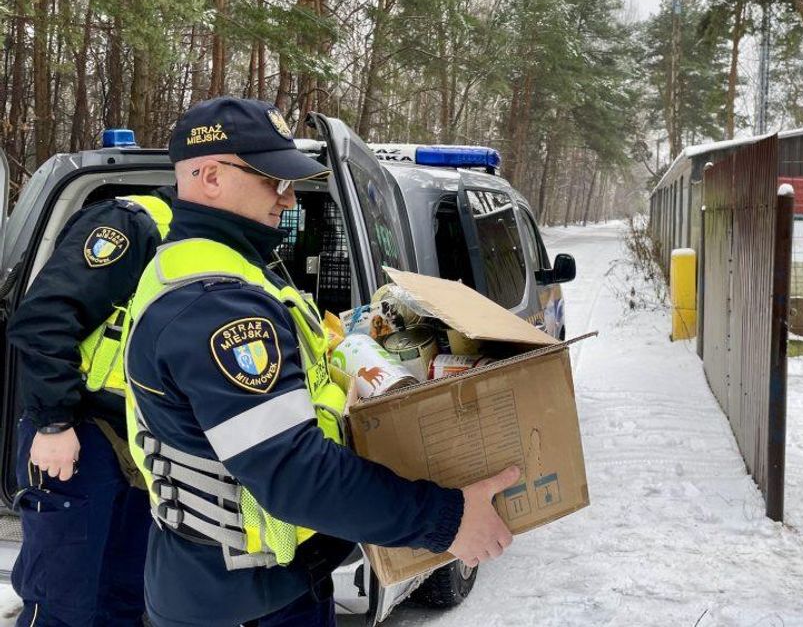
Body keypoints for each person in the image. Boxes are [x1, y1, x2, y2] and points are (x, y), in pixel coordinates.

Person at [123, 97, 517, 627]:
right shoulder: (216, 307)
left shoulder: (231, 271)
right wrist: (446, 520)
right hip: (237, 598)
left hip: (260, 582)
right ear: (210, 176)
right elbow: (294, 476)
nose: (288, 199)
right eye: (273, 181)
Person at [8, 180, 175, 627]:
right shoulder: (132, 224)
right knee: (63, 603)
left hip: (144, 443)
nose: (283, 198)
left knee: (124, 597)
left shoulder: (212, 250)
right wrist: (53, 423)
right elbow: (43, 320)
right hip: (81, 436)